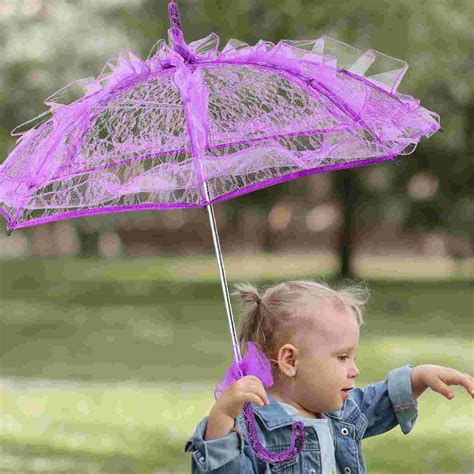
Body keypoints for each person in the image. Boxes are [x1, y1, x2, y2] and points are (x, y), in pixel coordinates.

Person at [184, 280, 474, 473]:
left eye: (353, 357)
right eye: (342, 357)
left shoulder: (338, 412)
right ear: (290, 360)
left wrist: (418, 377)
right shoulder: (254, 426)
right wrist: (222, 417)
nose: (354, 369)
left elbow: (377, 400)